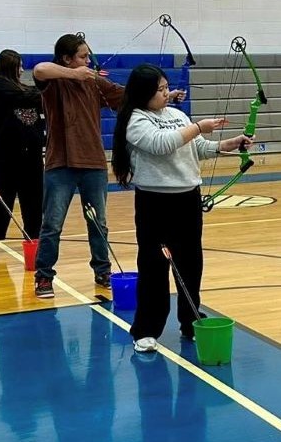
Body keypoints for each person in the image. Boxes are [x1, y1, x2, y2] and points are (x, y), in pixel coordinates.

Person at [30, 33, 184, 298]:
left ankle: (102, 271)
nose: (88, 61)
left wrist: (166, 96)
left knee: (98, 223)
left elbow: (129, 96)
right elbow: (39, 69)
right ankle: (44, 277)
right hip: (60, 164)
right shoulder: (54, 82)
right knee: (52, 224)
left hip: (93, 162)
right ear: (66, 59)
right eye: (82, 57)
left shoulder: (95, 84)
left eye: (88, 56)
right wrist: (75, 75)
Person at [110, 64, 251, 352]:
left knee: (191, 264)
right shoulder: (136, 120)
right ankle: (146, 330)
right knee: (153, 267)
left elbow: (196, 147)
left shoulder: (176, 115)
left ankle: (191, 321)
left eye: (165, 87)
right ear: (144, 93)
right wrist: (199, 126)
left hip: (187, 199)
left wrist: (227, 144)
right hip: (155, 203)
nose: (166, 93)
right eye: (159, 90)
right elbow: (162, 145)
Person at [0, 49, 44, 257]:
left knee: (33, 199)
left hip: (31, 155)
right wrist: (49, 86)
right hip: (5, 156)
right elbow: (26, 96)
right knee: (1, 199)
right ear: (9, 66)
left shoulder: (24, 89)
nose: (22, 70)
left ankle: (33, 238)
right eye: (19, 66)